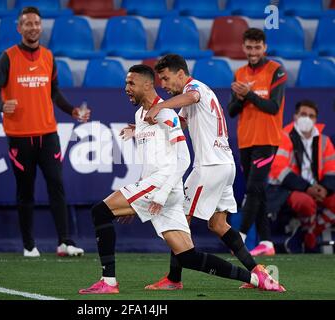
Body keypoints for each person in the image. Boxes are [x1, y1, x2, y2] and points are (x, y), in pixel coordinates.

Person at [78, 64, 285, 294]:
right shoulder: (144, 114)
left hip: (184, 177)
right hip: (200, 171)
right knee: (191, 253)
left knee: (100, 211)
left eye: (131, 83)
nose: (126, 88)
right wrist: (134, 195)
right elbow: (159, 147)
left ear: (150, 84)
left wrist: (159, 192)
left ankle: (110, 282)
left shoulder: (173, 105)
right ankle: (257, 278)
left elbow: (182, 154)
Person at [142, 54, 266, 291]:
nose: (164, 85)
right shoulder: (193, 97)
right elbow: (180, 125)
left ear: (181, 73)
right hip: (225, 166)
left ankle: (173, 280)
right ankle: (258, 272)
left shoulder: (194, 88)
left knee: (178, 219)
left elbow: (191, 96)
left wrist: (160, 105)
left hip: (209, 167)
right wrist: (143, 130)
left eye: (166, 79)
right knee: (218, 224)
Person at [0, 7, 90, 257]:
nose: (33, 27)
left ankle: (64, 242)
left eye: (36, 23)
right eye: (27, 24)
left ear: (41, 27)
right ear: (19, 28)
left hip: (48, 134)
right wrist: (2, 105)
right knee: (26, 191)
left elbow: (53, 91)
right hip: (19, 137)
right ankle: (29, 245)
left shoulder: (48, 56)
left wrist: (72, 111)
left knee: (57, 186)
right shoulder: (8, 57)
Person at [227, 28, 287, 256]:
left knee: (253, 188)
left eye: (257, 47)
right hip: (245, 140)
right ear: (244, 48)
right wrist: (241, 97)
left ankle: (240, 237)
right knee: (258, 191)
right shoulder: (239, 73)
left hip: (267, 139)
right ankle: (267, 242)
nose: (253, 51)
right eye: (249, 47)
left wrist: (249, 94)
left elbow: (273, 107)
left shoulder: (276, 71)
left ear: (265, 48)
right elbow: (232, 111)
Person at [268, 100, 335, 253]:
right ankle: (308, 238)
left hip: (317, 188)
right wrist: (307, 188)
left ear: (316, 119)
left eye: (311, 116)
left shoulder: (324, 141)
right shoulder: (284, 137)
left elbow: (332, 170)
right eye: (303, 114)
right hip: (287, 189)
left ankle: (307, 233)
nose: (307, 118)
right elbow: (279, 170)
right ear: (295, 116)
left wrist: (324, 189)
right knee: (306, 202)